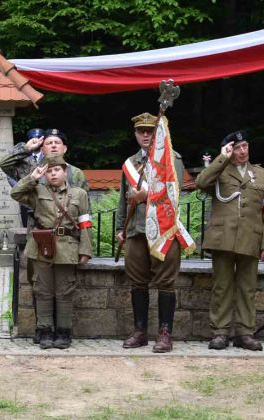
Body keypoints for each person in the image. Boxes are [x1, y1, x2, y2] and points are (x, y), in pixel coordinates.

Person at [0, 128, 88, 344]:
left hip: (66, 240)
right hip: (38, 235)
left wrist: (85, 247)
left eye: (58, 142)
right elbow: (7, 169)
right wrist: (26, 152)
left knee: (63, 287)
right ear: (42, 146)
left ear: (65, 148)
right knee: (40, 285)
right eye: (49, 142)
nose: (54, 146)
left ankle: (62, 331)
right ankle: (43, 329)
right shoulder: (34, 170)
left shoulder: (75, 175)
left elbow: (85, 216)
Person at [196, 131, 264, 351]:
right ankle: (220, 332)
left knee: (247, 288)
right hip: (223, 238)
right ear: (229, 150)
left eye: (245, 146)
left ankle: (245, 333)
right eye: (237, 148)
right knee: (221, 287)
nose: (243, 151)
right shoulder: (219, 170)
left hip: (251, 238)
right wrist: (221, 158)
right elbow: (201, 182)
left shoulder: (262, 175)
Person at [115, 112, 185, 353]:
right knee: (137, 282)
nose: (145, 135)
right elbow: (123, 200)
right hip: (136, 231)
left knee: (165, 283)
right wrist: (119, 228)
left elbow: (173, 192)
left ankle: (165, 333)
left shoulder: (171, 159)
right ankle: (140, 331)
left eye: (150, 131)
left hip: (163, 231)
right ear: (135, 134)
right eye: (141, 131)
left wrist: (145, 196)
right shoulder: (130, 164)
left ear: (157, 133)